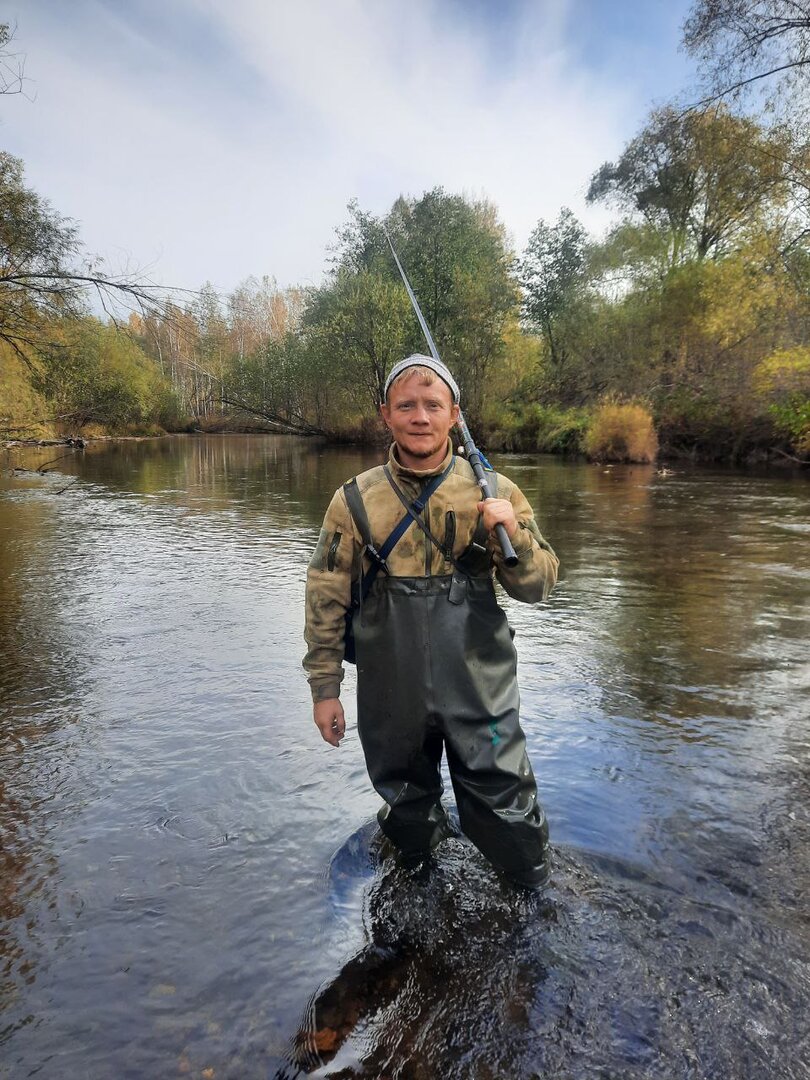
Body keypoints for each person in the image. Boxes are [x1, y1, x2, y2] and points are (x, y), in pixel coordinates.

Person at [303, 354, 559, 888]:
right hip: (390, 691)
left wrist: (514, 534)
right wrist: (325, 688)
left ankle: (532, 900)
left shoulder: (497, 492)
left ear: (453, 415)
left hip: (479, 688)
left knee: (505, 800)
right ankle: (415, 897)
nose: (420, 416)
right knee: (405, 805)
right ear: (385, 415)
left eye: (432, 405)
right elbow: (324, 597)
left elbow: (537, 587)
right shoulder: (351, 500)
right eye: (407, 405)